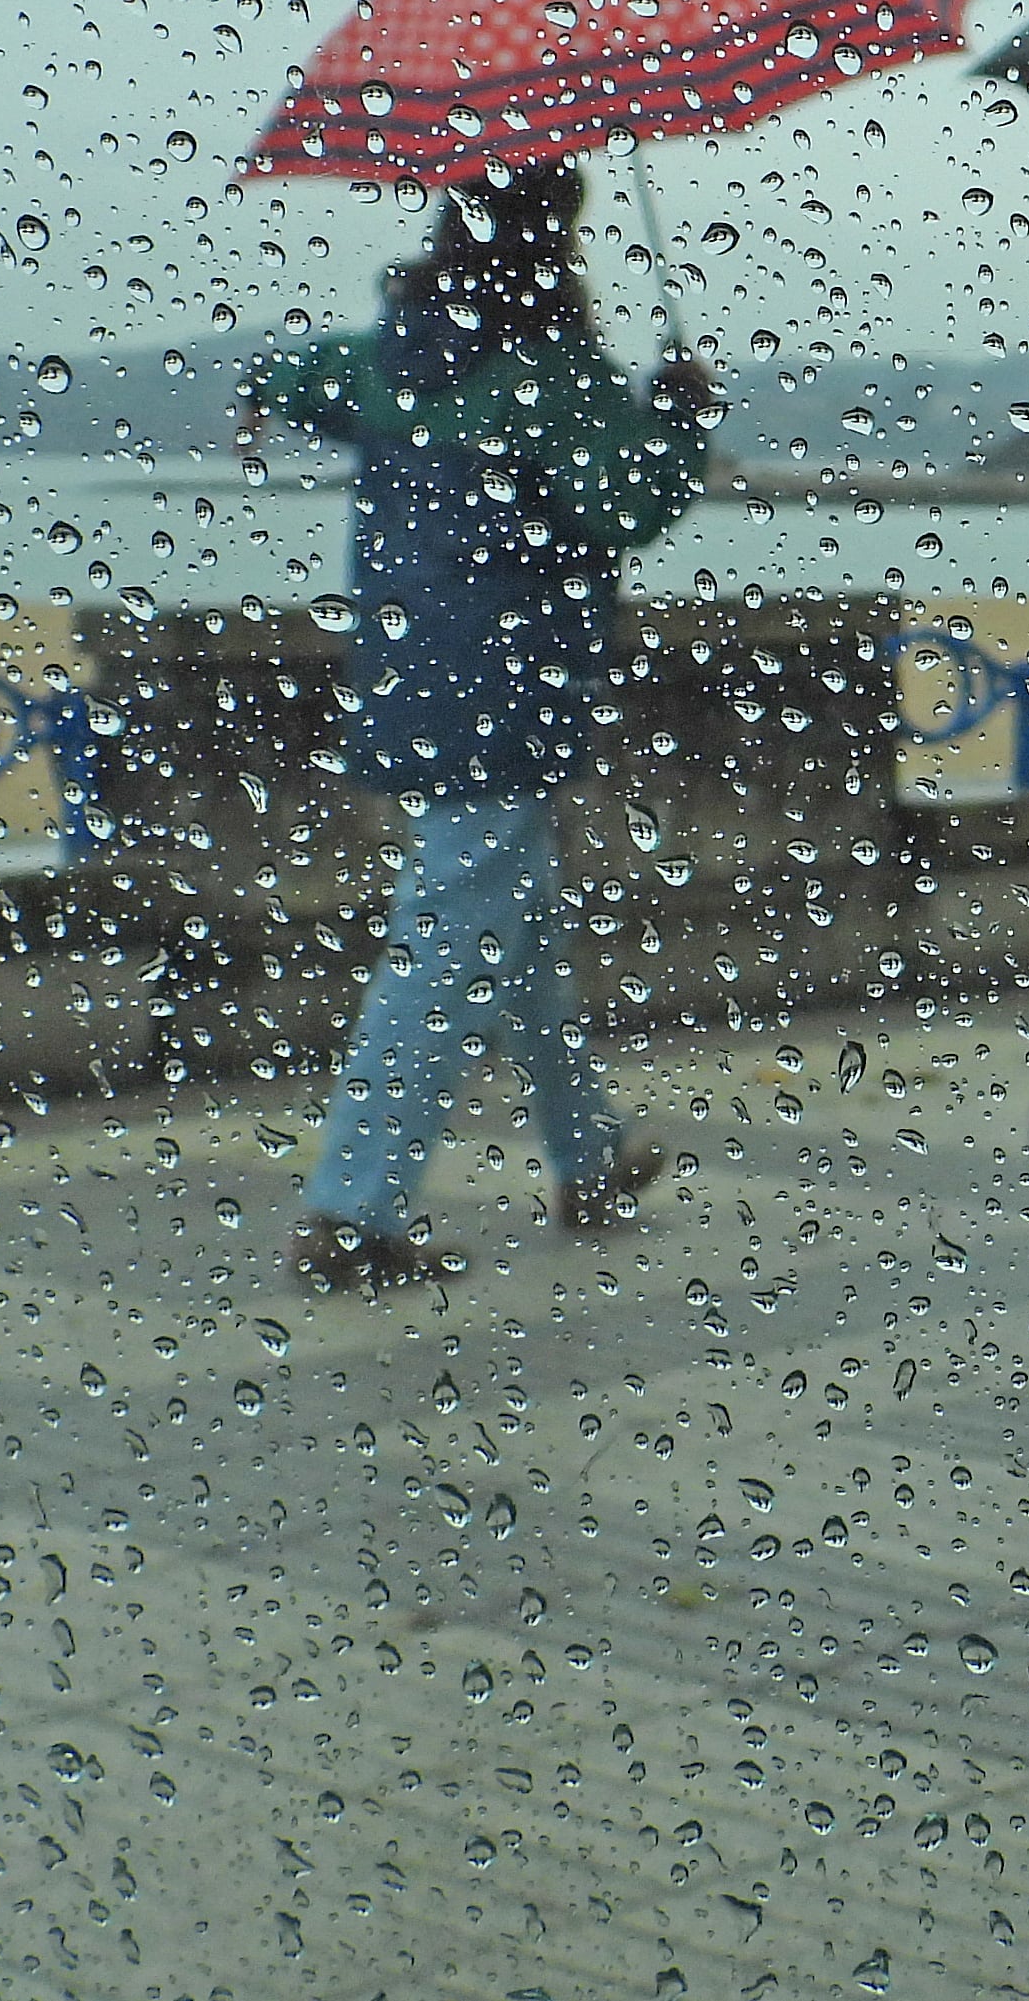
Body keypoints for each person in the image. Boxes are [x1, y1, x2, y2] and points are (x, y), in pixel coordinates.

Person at [241, 158, 716, 1293]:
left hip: (406, 672)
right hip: (513, 690)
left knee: (518, 923)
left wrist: (271, 395)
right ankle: (352, 1208)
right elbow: (630, 503)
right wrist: (679, 415)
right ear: (555, 240)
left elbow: (291, 374)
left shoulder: (390, 352)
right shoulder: (552, 375)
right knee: (450, 936)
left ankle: (587, 1156)